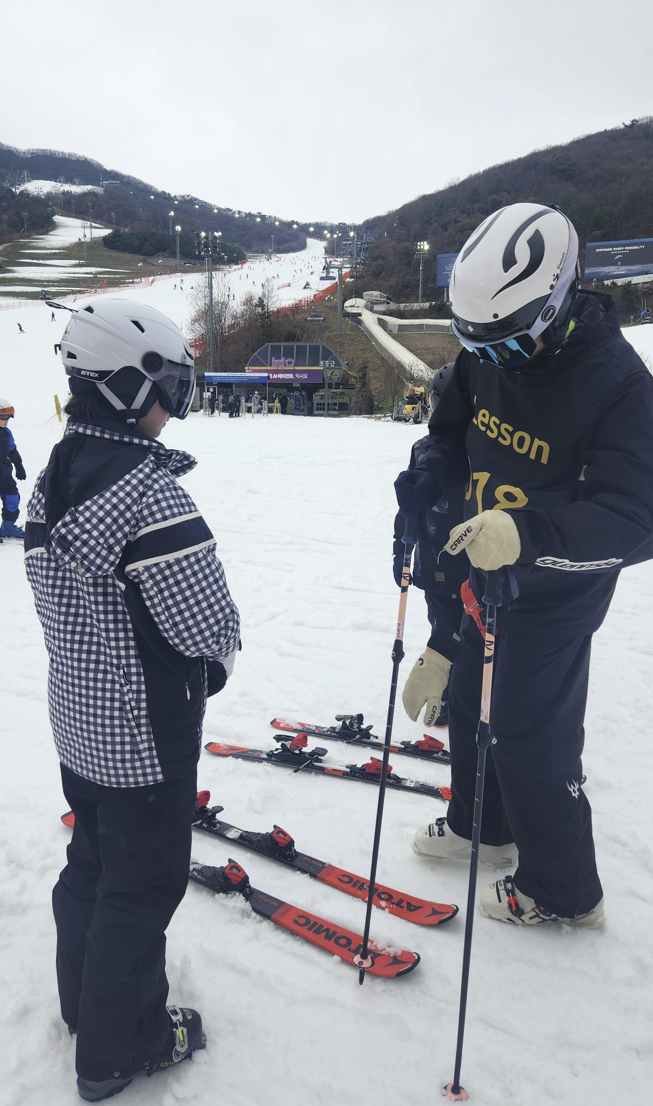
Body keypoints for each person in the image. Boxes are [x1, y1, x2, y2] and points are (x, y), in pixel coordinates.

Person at [395, 202, 653, 928]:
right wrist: (428, 475)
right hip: (481, 560)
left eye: (509, 346)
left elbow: (636, 519)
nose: (491, 362)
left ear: (561, 301)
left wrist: (528, 538)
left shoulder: (618, 387)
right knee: (469, 704)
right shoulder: (487, 355)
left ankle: (565, 890)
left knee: (524, 731)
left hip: (555, 584)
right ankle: (483, 825)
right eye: (478, 346)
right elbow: (448, 435)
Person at [24, 299, 240, 1100]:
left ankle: (89, 1008)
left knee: (92, 865)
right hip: (144, 738)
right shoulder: (149, 496)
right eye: (169, 387)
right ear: (123, 386)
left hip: (80, 726)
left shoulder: (57, 470)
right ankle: (121, 1046)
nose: (174, 406)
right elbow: (204, 623)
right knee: (142, 886)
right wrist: (213, 665)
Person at [392, 366, 466, 731]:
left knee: (468, 631)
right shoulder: (422, 448)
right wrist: (399, 552)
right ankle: (448, 696)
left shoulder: (487, 451)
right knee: (442, 624)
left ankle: (476, 698)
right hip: (432, 556)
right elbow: (407, 505)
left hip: (471, 560)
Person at [0, 397, 26, 539]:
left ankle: (7, 527)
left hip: (4, 475)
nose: (7, 419)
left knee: (13, 499)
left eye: (8, 416)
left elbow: (12, 451)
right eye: (3, 416)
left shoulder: (6, 433)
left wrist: (19, 466)